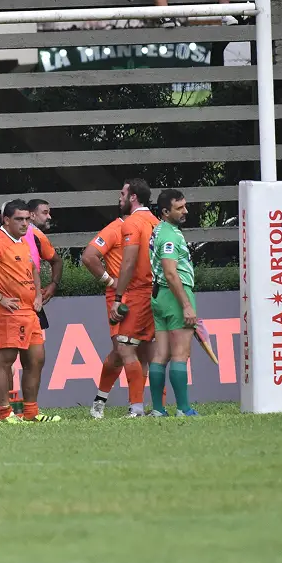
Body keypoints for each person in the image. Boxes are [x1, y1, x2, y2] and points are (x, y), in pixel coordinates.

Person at [0, 200, 61, 423]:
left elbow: (32, 269)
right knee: (4, 361)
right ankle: (5, 412)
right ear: (6, 220)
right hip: (7, 312)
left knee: (36, 359)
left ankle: (31, 412)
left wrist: (38, 294)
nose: (25, 223)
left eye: (27, 219)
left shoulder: (23, 240)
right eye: (19, 219)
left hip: (29, 311)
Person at [109, 178, 160, 418]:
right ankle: (158, 407)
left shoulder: (132, 222)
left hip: (139, 292)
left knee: (125, 348)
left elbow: (128, 261)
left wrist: (118, 295)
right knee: (150, 353)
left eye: (122, 193)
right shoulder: (157, 222)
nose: (119, 198)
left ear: (133, 197)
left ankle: (136, 408)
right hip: (158, 292)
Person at [148, 189, 199, 417]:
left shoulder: (159, 230)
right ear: (165, 211)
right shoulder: (169, 234)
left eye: (185, 206)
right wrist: (186, 305)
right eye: (179, 208)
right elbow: (170, 272)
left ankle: (158, 409)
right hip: (174, 295)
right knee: (180, 354)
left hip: (159, 296)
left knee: (161, 354)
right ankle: (183, 408)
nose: (185, 211)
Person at [81, 211, 127, 419]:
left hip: (147, 293)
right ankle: (100, 400)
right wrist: (110, 281)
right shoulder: (114, 229)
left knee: (150, 351)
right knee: (121, 350)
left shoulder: (154, 225)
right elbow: (89, 256)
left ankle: (152, 408)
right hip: (120, 296)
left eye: (124, 193)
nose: (120, 197)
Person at [25, 199, 62, 330]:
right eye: (45, 213)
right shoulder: (35, 234)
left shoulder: (37, 235)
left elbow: (57, 261)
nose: (49, 217)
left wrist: (53, 285)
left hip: (30, 298)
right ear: (32, 215)